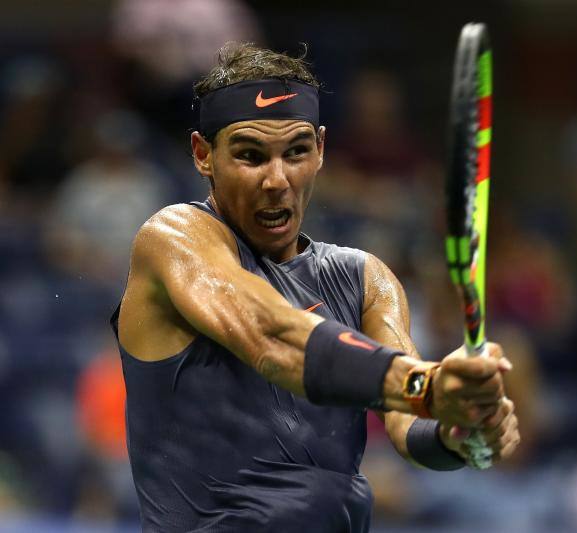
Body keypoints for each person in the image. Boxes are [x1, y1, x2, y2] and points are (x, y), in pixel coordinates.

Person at [112, 42, 520, 532]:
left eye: (297, 151)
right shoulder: (173, 240)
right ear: (203, 155)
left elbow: (409, 426)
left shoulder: (365, 278)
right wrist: (426, 385)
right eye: (250, 155)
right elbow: (272, 337)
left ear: (321, 149)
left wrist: (458, 430)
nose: (276, 180)